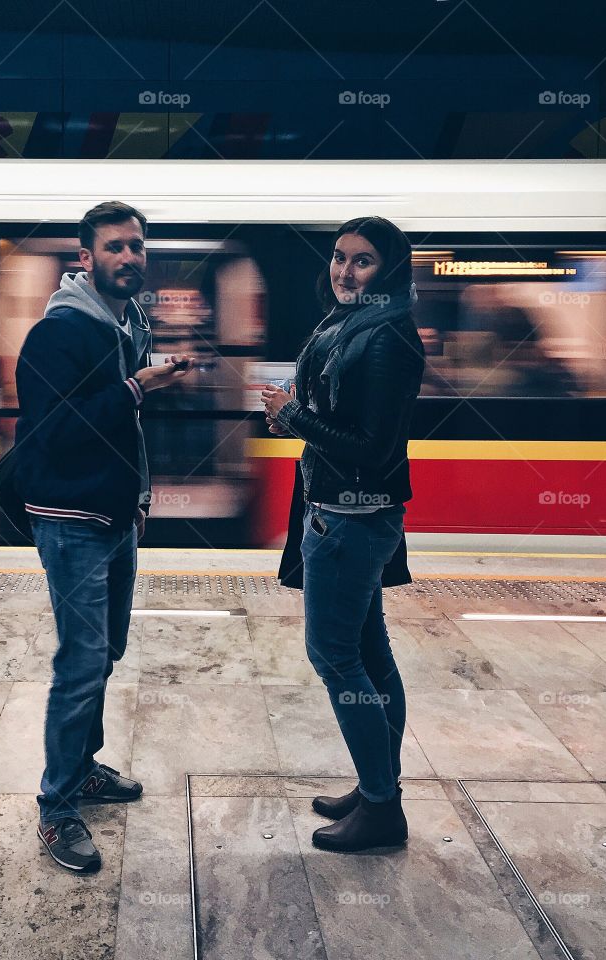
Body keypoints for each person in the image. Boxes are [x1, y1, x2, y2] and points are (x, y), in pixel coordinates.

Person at [14, 201, 193, 873]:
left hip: (116, 520)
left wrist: (139, 498)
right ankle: (58, 808)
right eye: (115, 247)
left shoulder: (129, 323)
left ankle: (83, 768)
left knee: (106, 651)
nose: (130, 258)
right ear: (85, 259)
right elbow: (55, 432)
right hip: (70, 522)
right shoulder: (58, 334)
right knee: (81, 662)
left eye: (137, 247)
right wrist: (136, 388)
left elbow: (126, 430)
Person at [262, 216, 425, 853]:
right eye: (338, 257)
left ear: (387, 269)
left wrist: (293, 416)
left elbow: (373, 448)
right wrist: (296, 415)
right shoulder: (350, 324)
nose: (343, 271)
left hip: (351, 521)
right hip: (344, 515)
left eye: (361, 262)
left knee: (335, 657)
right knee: (370, 654)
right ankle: (377, 783)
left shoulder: (387, 336)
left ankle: (382, 809)